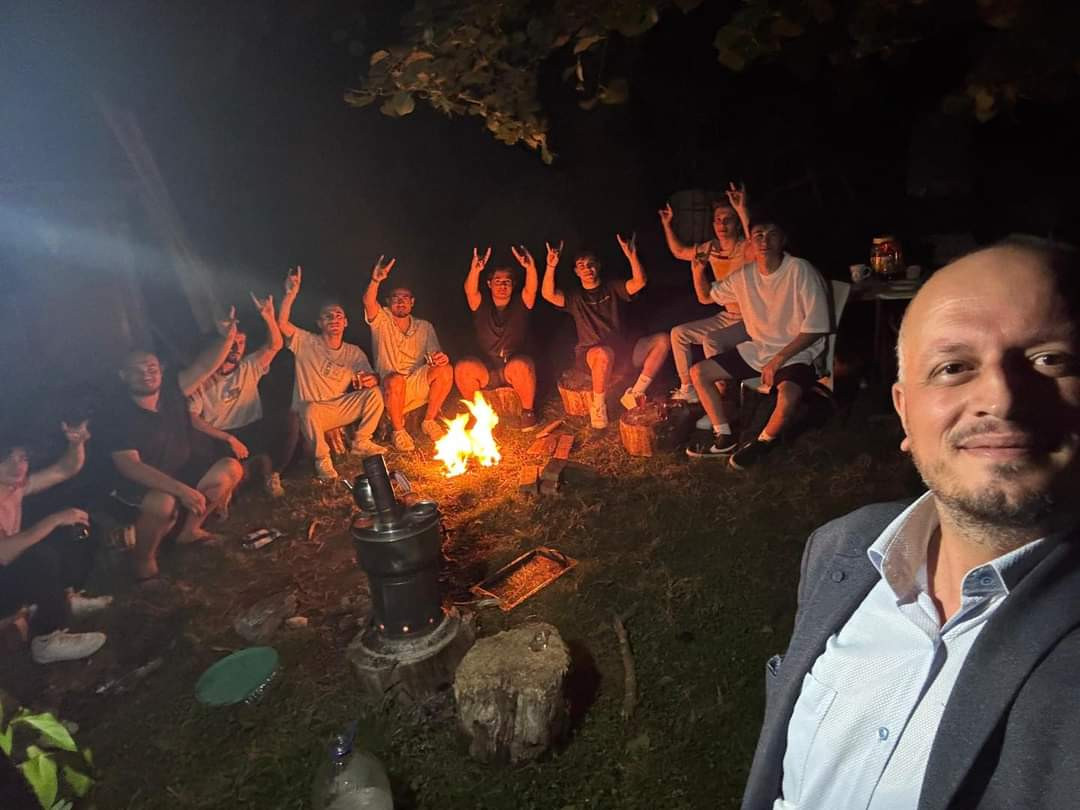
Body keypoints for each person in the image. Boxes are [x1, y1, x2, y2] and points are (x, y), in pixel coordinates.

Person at [741, 238, 1080, 810]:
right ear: (903, 412)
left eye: (1051, 359)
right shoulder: (842, 550)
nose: (1001, 397)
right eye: (954, 368)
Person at [100, 311, 245, 583]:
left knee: (230, 468)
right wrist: (181, 490)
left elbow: (204, 366)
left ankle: (189, 532)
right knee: (163, 501)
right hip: (138, 487)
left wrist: (227, 337)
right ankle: (144, 562)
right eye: (137, 370)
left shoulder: (172, 393)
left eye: (151, 368)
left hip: (178, 470)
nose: (146, 374)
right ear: (123, 376)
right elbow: (129, 466)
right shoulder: (118, 415)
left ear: (161, 370)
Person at [686, 212, 829, 467]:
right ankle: (724, 437)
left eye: (772, 234)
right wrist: (698, 271)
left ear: (783, 239)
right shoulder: (745, 276)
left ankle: (763, 442)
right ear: (750, 242)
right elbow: (706, 297)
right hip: (760, 349)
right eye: (758, 235)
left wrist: (778, 360)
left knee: (787, 398)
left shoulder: (800, 270)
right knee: (699, 373)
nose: (765, 241)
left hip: (797, 352)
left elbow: (817, 328)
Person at [0, 422, 112, 663]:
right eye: (6, 459)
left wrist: (76, 444)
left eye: (22, 458)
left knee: (73, 529)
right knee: (39, 557)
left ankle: (62, 599)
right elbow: (4, 552)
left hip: (7, 575)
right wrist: (55, 519)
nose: (17, 466)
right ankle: (46, 640)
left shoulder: (13, 487)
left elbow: (64, 469)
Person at [542, 234, 669, 428]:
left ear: (598, 266)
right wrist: (551, 266)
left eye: (591, 264)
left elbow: (639, 282)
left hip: (623, 352)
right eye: (581, 266)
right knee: (603, 353)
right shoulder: (575, 297)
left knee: (662, 340)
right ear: (576, 272)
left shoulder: (612, 287)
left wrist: (632, 255)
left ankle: (635, 393)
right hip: (593, 356)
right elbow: (548, 294)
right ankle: (598, 406)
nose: (587, 269)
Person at [277, 265, 386, 480]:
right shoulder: (306, 342)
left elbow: (372, 378)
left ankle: (362, 441)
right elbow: (282, 323)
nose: (334, 320)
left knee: (375, 394)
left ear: (345, 323)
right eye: (328, 317)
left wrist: (371, 379)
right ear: (320, 323)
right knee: (309, 409)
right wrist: (290, 294)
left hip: (338, 407)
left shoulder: (353, 352)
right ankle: (322, 459)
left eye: (338, 316)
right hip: (313, 412)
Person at [187, 292, 297, 497]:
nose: (237, 348)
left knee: (289, 420)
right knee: (223, 462)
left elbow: (275, 345)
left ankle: (273, 474)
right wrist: (228, 438)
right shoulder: (203, 378)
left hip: (252, 427)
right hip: (222, 436)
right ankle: (237, 483)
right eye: (233, 342)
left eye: (242, 342)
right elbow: (192, 417)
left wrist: (268, 317)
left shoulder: (248, 366)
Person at [659, 183, 753, 402]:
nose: (722, 225)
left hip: (750, 318)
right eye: (718, 220)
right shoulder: (711, 248)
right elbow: (679, 251)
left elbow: (755, 241)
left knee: (712, 340)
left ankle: (722, 392)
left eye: (728, 220)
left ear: (737, 225)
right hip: (728, 315)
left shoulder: (746, 248)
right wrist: (667, 224)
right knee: (678, 333)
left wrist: (742, 210)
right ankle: (687, 388)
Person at [363, 255, 455, 451]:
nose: (401, 301)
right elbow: (369, 302)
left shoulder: (424, 326)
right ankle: (398, 431)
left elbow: (435, 356)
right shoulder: (381, 320)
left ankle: (429, 421)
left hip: (415, 384)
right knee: (395, 380)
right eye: (396, 298)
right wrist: (375, 281)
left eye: (405, 298)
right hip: (389, 387)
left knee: (446, 369)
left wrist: (441, 357)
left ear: (412, 302)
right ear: (388, 302)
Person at [454, 245, 540, 430]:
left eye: (507, 281)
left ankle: (527, 413)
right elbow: (470, 291)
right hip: (487, 370)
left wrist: (530, 267)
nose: (502, 285)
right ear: (489, 284)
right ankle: (475, 413)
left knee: (522, 365)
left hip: (512, 368)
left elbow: (531, 289)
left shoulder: (521, 303)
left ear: (513, 285)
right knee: (463, 367)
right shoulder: (481, 304)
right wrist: (475, 269)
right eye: (498, 281)